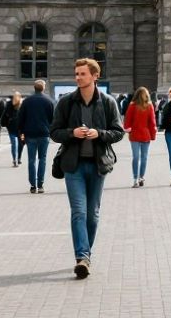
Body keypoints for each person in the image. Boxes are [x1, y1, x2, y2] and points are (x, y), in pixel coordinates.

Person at [50, 58, 124, 279]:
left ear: (94, 76)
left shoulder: (108, 102)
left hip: (98, 165)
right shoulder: (66, 103)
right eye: (76, 74)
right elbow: (54, 132)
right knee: (79, 212)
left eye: (82, 74)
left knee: (92, 215)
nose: (78, 77)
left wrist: (98, 134)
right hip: (74, 166)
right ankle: (82, 256)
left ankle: (86, 254)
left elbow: (118, 132)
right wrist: (72, 133)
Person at [17, 79, 56, 194]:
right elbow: (53, 119)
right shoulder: (49, 101)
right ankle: (41, 184)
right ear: (43, 88)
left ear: (34, 88)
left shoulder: (27, 101)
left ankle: (33, 185)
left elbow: (21, 118)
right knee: (42, 159)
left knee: (31, 160)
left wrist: (21, 132)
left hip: (30, 134)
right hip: (44, 133)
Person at [123, 86, 157, 188]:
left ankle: (136, 179)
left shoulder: (132, 106)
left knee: (136, 157)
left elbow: (127, 121)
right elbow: (152, 123)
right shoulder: (149, 106)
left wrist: (128, 128)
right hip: (145, 135)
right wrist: (153, 135)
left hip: (134, 135)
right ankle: (141, 177)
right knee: (143, 158)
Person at [0, 92, 23, 167]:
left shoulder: (9, 104)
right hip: (21, 128)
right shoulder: (22, 104)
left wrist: (4, 124)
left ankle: (15, 159)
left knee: (14, 144)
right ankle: (18, 158)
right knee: (21, 143)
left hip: (11, 127)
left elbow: (4, 115)